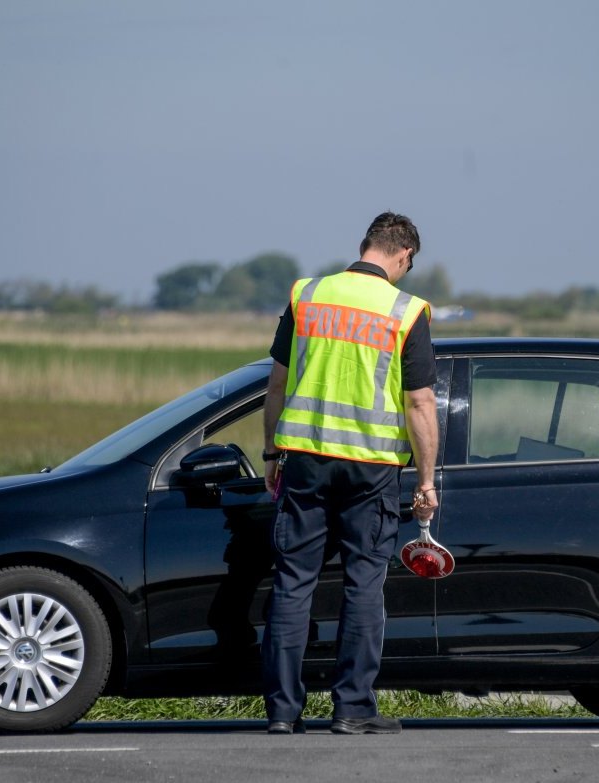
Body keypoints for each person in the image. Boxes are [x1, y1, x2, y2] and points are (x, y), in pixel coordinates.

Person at [260, 211, 439, 735]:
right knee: (364, 584)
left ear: (365, 245)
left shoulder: (308, 294)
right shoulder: (405, 310)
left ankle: (282, 714)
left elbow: (276, 384)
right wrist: (426, 481)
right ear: (403, 254)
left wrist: (271, 454)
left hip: (306, 461)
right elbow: (420, 402)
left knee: (293, 584)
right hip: (372, 468)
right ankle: (353, 709)